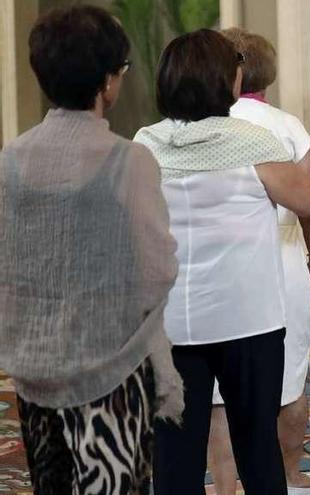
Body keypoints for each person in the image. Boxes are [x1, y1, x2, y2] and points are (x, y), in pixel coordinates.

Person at [135, 29, 310, 494]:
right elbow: (309, 202)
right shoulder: (252, 142)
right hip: (247, 322)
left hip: (171, 323)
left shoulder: (145, 143)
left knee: (174, 455)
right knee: (257, 448)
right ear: (226, 80)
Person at [0, 5, 182, 493]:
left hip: (32, 368)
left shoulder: (9, 160)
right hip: (111, 371)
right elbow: (157, 269)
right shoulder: (129, 161)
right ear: (107, 83)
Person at [204, 28, 310, 495]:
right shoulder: (286, 124)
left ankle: (223, 484)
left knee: (219, 392)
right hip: (284, 255)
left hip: (225, 261)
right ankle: (291, 477)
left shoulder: (205, 121)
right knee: (291, 375)